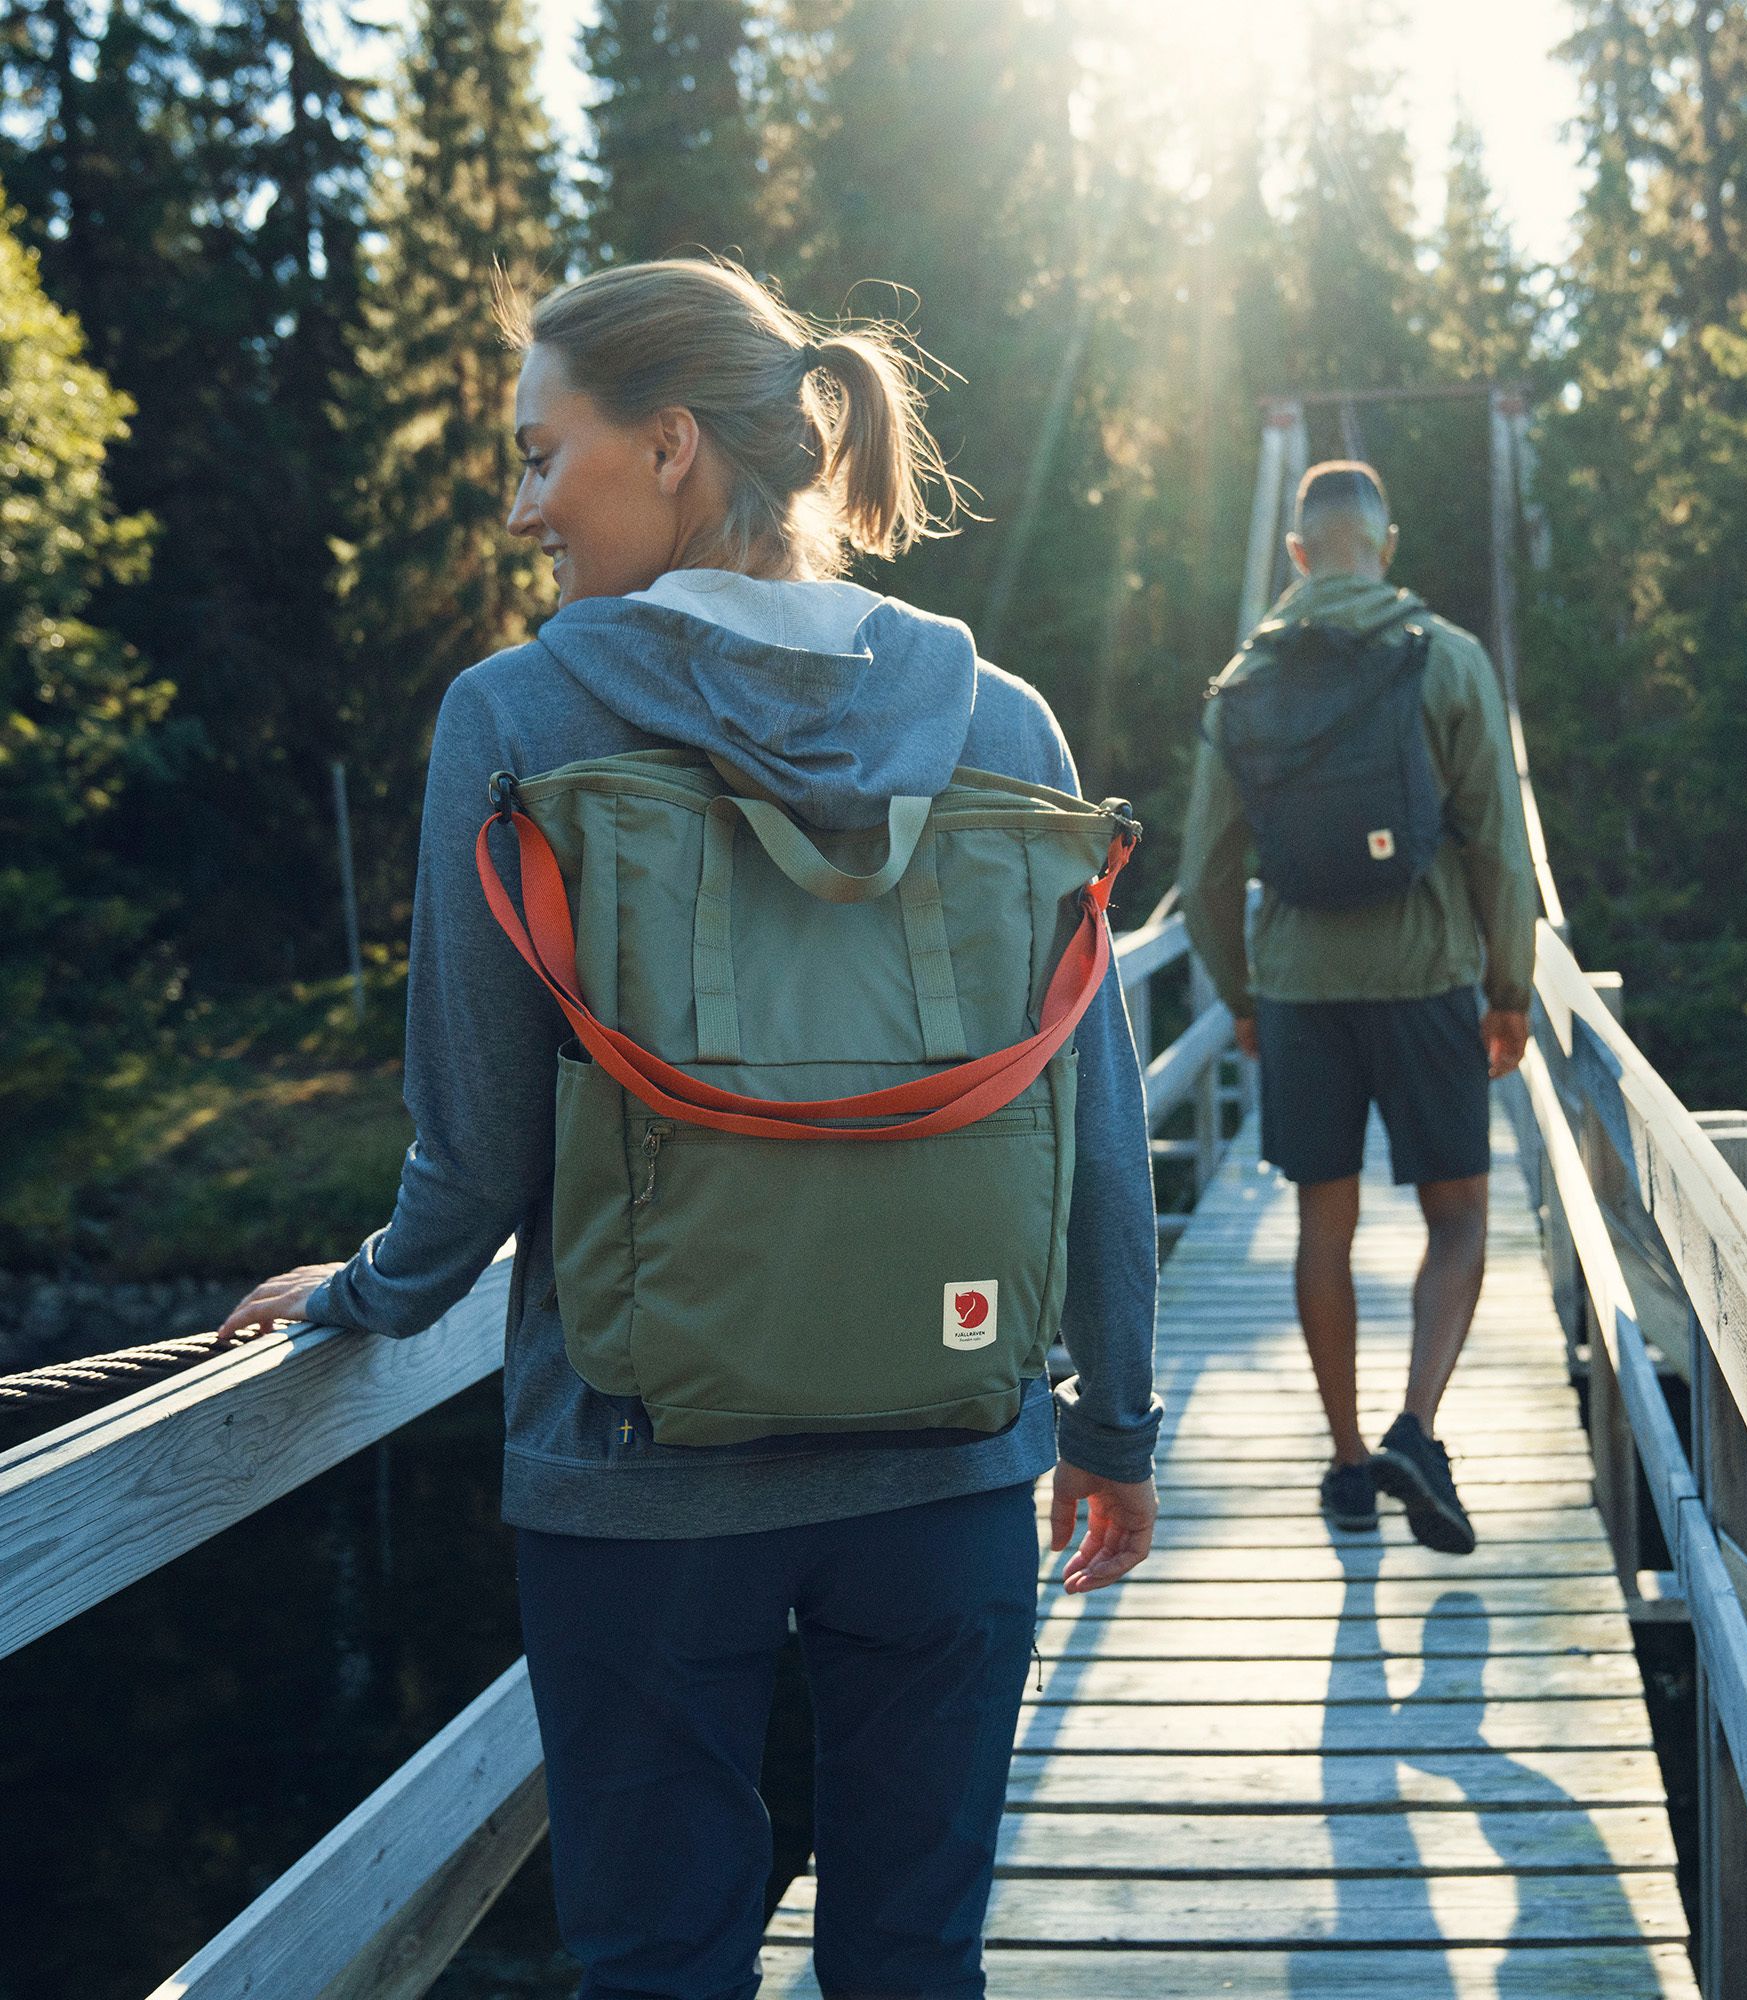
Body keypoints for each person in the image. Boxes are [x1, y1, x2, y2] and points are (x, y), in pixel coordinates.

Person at [218, 255, 1162, 2000]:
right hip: (949, 1457)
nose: (519, 511)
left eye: (535, 454)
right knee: (912, 1962)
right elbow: (1088, 1125)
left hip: (641, 1475)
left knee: (658, 1963)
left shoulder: (518, 719)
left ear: (665, 447)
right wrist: (1114, 1419)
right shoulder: (1002, 721)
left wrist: (361, 1295)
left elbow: (482, 1146)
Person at [1178, 458, 1535, 1556]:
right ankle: (1415, 1429)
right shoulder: (1448, 659)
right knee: (1460, 1216)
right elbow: (1496, 845)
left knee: (1318, 1230)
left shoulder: (1240, 680)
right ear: (1384, 543)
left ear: (1294, 554)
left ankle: (1343, 1465)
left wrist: (1243, 996)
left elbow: (1200, 876)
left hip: (1295, 992)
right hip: (1426, 979)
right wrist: (1508, 988)